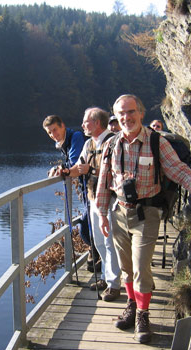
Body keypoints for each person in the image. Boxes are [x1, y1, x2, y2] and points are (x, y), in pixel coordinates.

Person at [95, 94, 191, 343]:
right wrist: (102, 213)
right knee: (127, 268)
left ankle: (143, 316)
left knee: (142, 267)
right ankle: (132, 306)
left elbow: (177, 169)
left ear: (141, 113)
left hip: (148, 213)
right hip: (119, 213)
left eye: (130, 112)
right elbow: (104, 181)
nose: (126, 117)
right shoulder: (112, 144)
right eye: (121, 114)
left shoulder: (156, 142)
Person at [62, 107, 121, 301]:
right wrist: (64, 171)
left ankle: (114, 285)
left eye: (86, 121)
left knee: (109, 241)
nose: (82, 125)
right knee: (98, 240)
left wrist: (91, 169)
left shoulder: (114, 142)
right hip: (93, 198)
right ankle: (105, 276)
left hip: (112, 200)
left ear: (96, 123)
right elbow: (79, 168)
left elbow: (118, 170)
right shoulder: (88, 144)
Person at [43, 114, 101, 273]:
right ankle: (96, 255)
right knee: (87, 224)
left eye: (55, 130)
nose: (53, 135)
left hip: (94, 188)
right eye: (49, 133)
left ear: (63, 125)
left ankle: (97, 255)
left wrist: (62, 168)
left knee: (85, 225)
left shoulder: (75, 137)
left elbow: (76, 162)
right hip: (87, 188)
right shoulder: (64, 142)